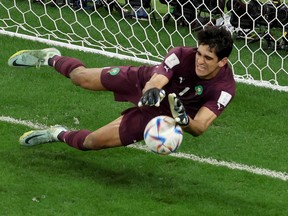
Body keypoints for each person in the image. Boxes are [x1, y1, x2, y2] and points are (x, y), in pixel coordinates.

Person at [8, 25, 235, 151]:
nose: (200, 61)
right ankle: (51, 57)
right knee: (81, 78)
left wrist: (184, 120)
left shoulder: (224, 89)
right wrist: (152, 90)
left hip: (162, 115)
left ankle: (56, 133)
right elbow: (157, 79)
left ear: (222, 62)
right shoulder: (181, 55)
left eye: (208, 58)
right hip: (144, 81)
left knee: (92, 143)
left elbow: (200, 126)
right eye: (199, 53)